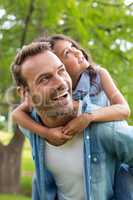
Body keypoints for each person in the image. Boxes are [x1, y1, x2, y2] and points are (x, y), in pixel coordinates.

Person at [11, 42, 133, 200]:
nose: (61, 83)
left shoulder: (105, 128)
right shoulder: (31, 127)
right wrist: (46, 132)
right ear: (25, 94)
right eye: (45, 79)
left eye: (61, 71)